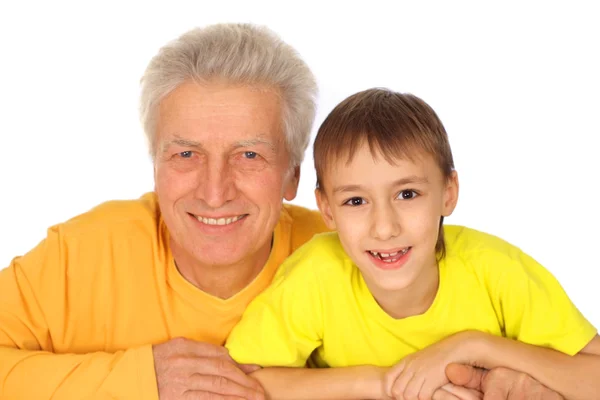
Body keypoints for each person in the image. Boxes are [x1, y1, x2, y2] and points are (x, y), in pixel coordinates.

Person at [0, 23, 565, 400]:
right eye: (185, 154)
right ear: (153, 163)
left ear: (296, 177)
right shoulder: (82, 253)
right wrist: (137, 378)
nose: (214, 190)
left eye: (249, 154)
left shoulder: (362, 248)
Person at [225, 88, 599, 399]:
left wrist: (475, 346)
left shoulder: (496, 271)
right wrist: (387, 383)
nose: (384, 228)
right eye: (356, 201)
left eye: (407, 194)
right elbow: (241, 384)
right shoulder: (317, 275)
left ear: (448, 193)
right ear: (327, 210)